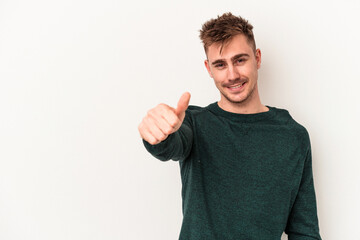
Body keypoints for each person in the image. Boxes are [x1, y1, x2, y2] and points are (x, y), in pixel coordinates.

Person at [138, 12, 322, 240]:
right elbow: (171, 144)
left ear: (258, 58)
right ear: (209, 69)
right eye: (220, 64)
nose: (232, 75)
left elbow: (304, 231)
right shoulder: (193, 124)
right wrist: (158, 134)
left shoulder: (293, 136)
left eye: (240, 60)